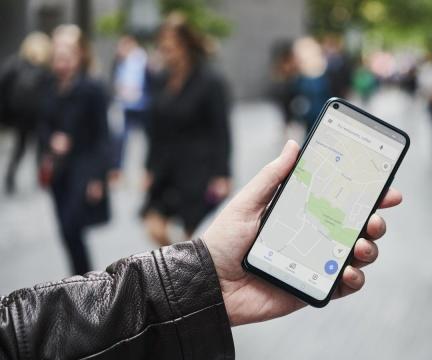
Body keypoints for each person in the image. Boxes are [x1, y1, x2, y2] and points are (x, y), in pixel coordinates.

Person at [0, 140, 403, 359]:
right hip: (169, 180)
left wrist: (206, 272)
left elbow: (22, 338)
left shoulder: (205, 80)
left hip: (199, 182)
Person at [142, 14, 232, 246]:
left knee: (195, 240)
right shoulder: (161, 80)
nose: (165, 53)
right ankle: (175, 269)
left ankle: (185, 277)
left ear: (185, 46)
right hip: (166, 168)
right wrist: (149, 168)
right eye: (161, 47)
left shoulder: (210, 81)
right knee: (153, 224)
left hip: (198, 170)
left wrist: (222, 174)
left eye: (169, 48)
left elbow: (221, 130)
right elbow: (155, 130)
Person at [38, 25, 112, 275]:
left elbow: (103, 134)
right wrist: (51, 140)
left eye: (67, 53)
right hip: (58, 169)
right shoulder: (49, 85)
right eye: (57, 53)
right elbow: (41, 124)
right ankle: (80, 280)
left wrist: (98, 177)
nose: (62, 60)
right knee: (66, 232)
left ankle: (85, 281)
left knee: (72, 226)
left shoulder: (92, 88)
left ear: (79, 54)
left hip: (84, 165)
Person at [0, 32, 52, 194]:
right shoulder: (46, 69)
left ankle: (10, 178)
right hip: (38, 115)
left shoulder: (14, 64)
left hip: (20, 116)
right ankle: (41, 179)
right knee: (41, 147)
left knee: (20, 147)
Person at [109, 34, 149, 179]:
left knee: (144, 138)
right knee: (121, 138)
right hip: (124, 104)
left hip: (142, 104)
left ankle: (144, 170)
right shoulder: (120, 62)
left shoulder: (141, 60)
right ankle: (118, 169)